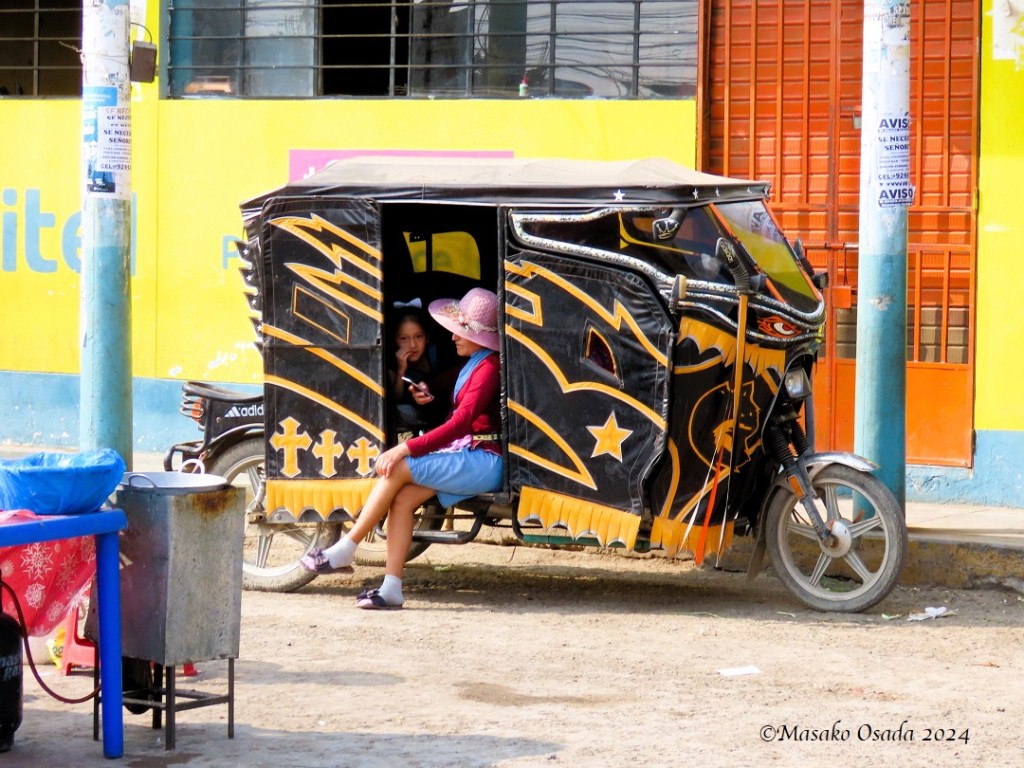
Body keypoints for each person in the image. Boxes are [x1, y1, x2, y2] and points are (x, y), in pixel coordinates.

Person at [300, 287, 503, 609]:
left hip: (484, 459)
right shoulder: (478, 362)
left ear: (479, 336)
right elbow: (445, 386)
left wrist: (404, 449)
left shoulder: (489, 367)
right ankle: (391, 586)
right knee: (404, 500)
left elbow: (462, 422)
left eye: (459, 331)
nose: (452, 337)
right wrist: (424, 389)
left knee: (397, 468)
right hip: (471, 453)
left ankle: (347, 547)